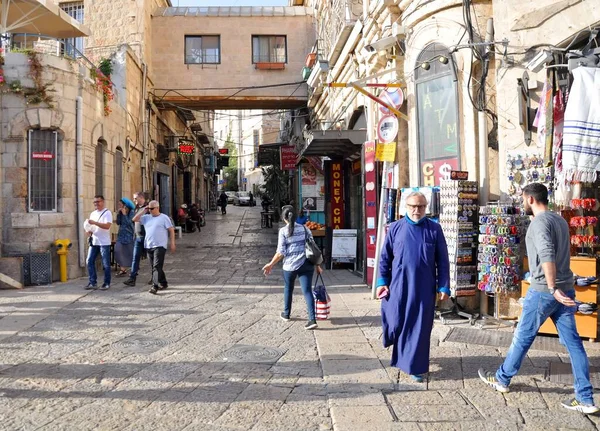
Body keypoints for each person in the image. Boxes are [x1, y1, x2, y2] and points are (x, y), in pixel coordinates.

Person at [479, 183, 599, 414]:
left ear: (530, 199)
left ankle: (502, 379)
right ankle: (585, 398)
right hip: (566, 289)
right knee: (574, 344)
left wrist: (552, 287)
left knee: (522, 337)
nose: (522, 202)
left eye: (523, 199)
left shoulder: (539, 223)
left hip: (546, 290)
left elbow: (547, 254)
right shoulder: (561, 221)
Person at [375, 191, 450, 383]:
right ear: (405, 208)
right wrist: (382, 282)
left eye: (421, 207)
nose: (417, 210)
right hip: (398, 285)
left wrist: (443, 286)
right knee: (395, 320)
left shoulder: (434, 229)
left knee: (419, 327)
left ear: (426, 208)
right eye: (413, 206)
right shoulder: (395, 228)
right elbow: (385, 258)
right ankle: (400, 350)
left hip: (424, 287)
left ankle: (415, 366)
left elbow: (442, 261)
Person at [262, 205, 322, 330]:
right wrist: (317, 265)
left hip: (289, 266)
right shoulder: (305, 229)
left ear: (284, 218)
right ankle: (312, 319)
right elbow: (313, 248)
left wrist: (271, 264)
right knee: (307, 291)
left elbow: (281, 252)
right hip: (306, 264)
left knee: (288, 288)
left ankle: (286, 314)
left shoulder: (283, 231)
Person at [133, 200, 176, 295]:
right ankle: (164, 282)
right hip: (149, 245)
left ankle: (154, 286)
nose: (150, 210)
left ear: (157, 208)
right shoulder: (146, 217)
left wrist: (172, 243)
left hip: (160, 246)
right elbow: (135, 219)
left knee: (156, 266)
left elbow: (171, 230)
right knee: (155, 266)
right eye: (149, 209)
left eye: (152, 209)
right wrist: (144, 210)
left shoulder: (164, 218)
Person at [84, 195, 113, 290]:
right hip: (94, 241)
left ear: (103, 202)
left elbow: (107, 226)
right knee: (89, 261)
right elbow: (92, 227)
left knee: (105, 263)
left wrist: (95, 223)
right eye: (95, 202)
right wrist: (89, 231)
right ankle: (93, 282)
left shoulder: (107, 213)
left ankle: (106, 283)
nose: (96, 204)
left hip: (104, 242)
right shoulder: (93, 214)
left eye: (98, 202)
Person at [124, 192, 147, 287]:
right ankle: (132, 278)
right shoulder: (136, 208)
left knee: (151, 258)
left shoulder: (149, 208)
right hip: (137, 237)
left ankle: (155, 278)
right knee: (135, 258)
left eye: (135, 198)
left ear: (141, 197)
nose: (134, 200)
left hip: (146, 237)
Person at [114, 198, 135, 276]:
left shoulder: (131, 212)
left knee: (129, 252)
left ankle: (128, 269)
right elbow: (118, 223)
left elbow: (129, 223)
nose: (119, 206)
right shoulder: (121, 212)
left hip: (128, 234)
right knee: (118, 250)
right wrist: (118, 214)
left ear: (125, 205)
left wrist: (125, 215)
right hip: (121, 234)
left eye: (120, 204)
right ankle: (123, 268)